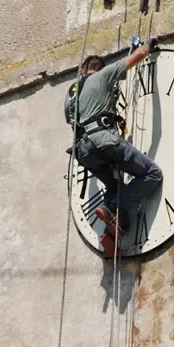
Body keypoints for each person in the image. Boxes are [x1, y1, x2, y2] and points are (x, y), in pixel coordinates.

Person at [65, 40, 162, 244]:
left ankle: (113, 228)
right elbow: (136, 57)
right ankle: (115, 206)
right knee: (152, 173)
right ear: (98, 69)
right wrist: (148, 46)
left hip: (84, 152)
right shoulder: (103, 76)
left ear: (82, 70)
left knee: (113, 184)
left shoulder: (72, 95)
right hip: (105, 141)